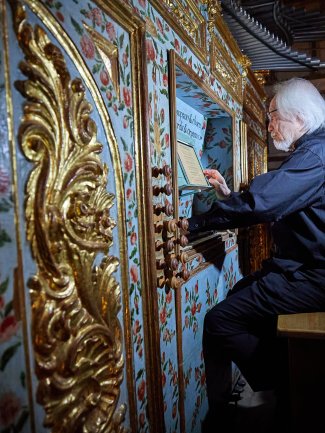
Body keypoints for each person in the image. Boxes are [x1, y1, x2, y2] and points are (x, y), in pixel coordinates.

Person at [188, 77, 325, 433]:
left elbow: (264, 203)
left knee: (221, 321)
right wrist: (227, 195)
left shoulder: (316, 153)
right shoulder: (315, 151)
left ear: (300, 117)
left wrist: (195, 224)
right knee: (239, 296)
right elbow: (280, 202)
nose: (268, 126)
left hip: (316, 276)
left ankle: (289, 385)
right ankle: (287, 381)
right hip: (305, 268)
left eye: (273, 116)